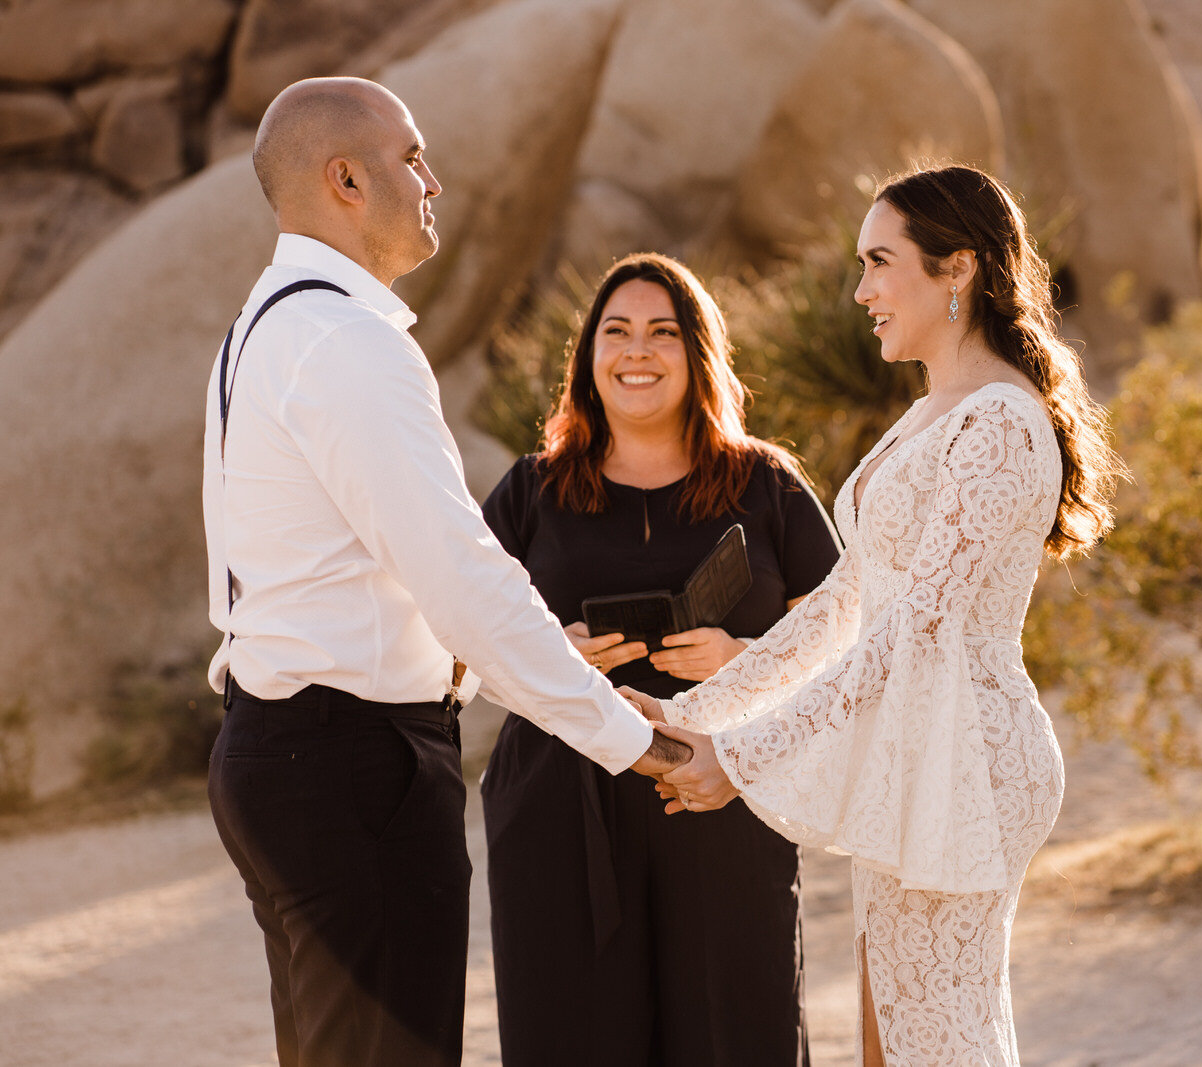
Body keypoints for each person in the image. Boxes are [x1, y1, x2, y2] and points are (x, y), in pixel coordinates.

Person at [202, 78, 688, 1067]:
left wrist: (514, 658)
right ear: (344, 180)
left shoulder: (263, 324)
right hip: (351, 767)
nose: (434, 180)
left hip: (281, 749)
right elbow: (458, 571)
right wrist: (628, 736)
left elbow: (353, 570)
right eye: (411, 158)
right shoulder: (346, 340)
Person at [631, 164, 1125, 1067]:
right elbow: (841, 609)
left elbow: (916, 631)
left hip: (970, 753)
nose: (860, 291)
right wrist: (698, 716)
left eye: (880, 262)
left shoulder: (1002, 426)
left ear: (958, 269)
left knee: (931, 1042)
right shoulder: (932, 414)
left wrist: (740, 758)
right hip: (918, 747)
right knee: (894, 1039)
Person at [478, 252, 840, 1066]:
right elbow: (457, 636)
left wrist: (744, 659)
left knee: (736, 1037)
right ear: (588, 358)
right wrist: (548, 652)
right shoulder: (530, 491)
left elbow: (846, 648)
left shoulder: (768, 485)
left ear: (698, 353)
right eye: (617, 331)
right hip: (558, 815)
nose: (637, 350)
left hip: (722, 804)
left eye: (662, 332)